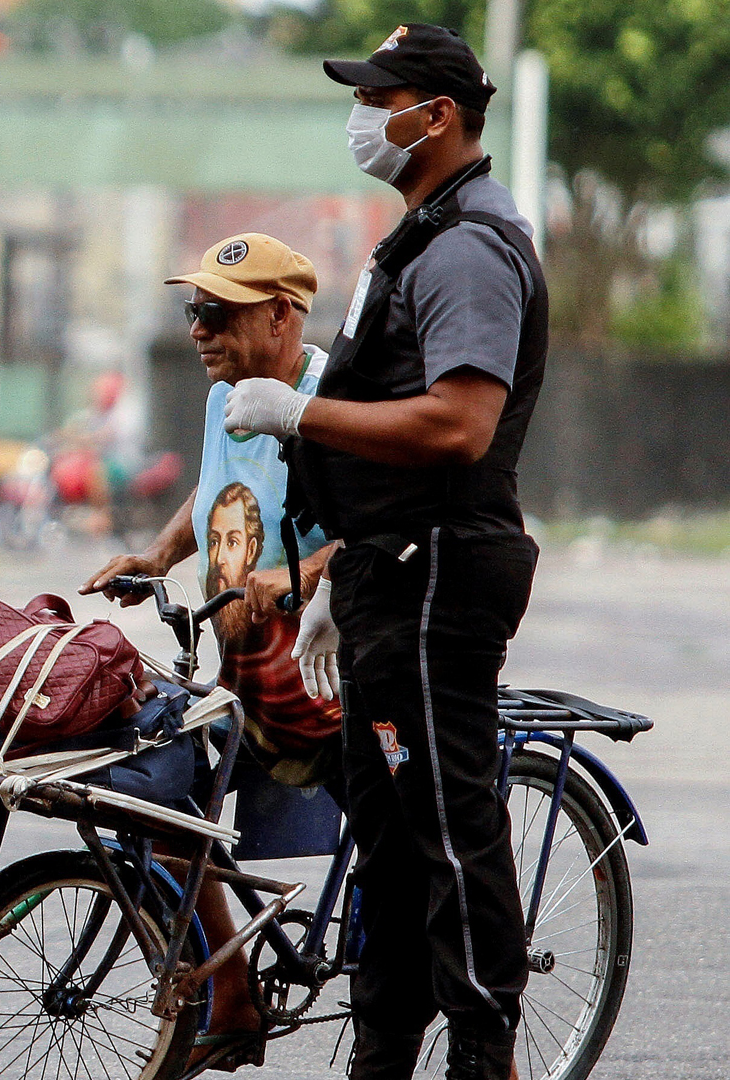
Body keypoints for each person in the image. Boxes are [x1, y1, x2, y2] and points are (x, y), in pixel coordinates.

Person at [221, 25, 547, 1080]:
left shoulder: (466, 251)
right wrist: (346, 565)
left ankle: (483, 1057)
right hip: (388, 573)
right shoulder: (418, 235)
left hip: (441, 573)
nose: (363, 117)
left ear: (436, 116)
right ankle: (385, 1055)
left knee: (448, 833)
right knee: (390, 831)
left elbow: (458, 425)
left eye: (380, 97)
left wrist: (299, 415)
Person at [83, 232, 342, 1071]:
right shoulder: (222, 394)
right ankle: (233, 998)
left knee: (391, 840)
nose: (199, 329)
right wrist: (158, 557)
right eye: (193, 311)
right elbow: (214, 481)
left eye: (217, 313)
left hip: (323, 673)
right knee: (152, 802)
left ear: (280, 314)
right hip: (241, 670)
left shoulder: (335, 396)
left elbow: (385, 518)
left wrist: (295, 576)